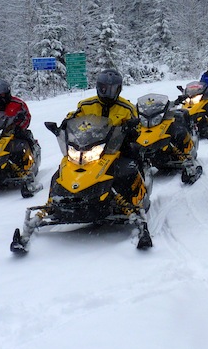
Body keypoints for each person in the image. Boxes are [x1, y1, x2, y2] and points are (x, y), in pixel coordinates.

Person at [64, 68, 149, 230]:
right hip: (89, 144)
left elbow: (137, 125)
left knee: (133, 158)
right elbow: (73, 117)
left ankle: (140, 194)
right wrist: (64, 124)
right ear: (98, 87)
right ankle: (61, 197)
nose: (107, 92)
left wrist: (131, 129)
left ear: (119, 88)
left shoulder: (126, 107)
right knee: (68, 164)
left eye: (112, 89)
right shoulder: (86, 104)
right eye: (104, 88)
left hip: (116, 146)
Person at [0, 78, 38, 176]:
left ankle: (27, 165)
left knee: (21, 143)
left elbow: (27, 117)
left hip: (13, 132)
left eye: (1, 95)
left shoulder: (18, 104)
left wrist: (19, 127)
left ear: (7, 93)